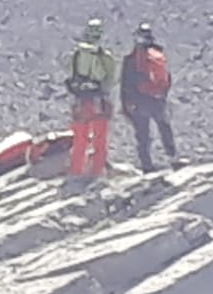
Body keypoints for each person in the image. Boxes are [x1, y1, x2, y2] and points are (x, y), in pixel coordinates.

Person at [120, 22, 180, 171]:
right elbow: (167, 78)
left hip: (139, 101)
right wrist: (162, 94)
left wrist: (126, 104)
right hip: (157, 99)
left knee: (143, 134)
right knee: (164, 127)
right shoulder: (158, 54)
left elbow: (126, 83)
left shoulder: (131, 59)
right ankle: (173, 157)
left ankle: (147, 165)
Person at [63, 18, 118, 178]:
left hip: (81, 101)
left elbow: (70, 76)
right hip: (99, 102)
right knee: (100, 140)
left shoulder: (77, 54)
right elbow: (110, 80)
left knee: (79, 139)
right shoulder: (105, 56)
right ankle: (96, 171)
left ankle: (76, 170)